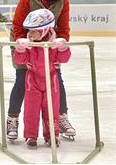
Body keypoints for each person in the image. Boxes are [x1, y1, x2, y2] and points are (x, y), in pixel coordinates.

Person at [7, 0, 76, 141]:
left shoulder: (62, 0)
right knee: (22, 79)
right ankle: (12, 119)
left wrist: (60, 43)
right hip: (26, 43)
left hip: (48, 44)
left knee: (56, 80)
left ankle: (61, 117)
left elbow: (64, 27)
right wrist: (23, 44)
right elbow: (17, 26)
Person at [14, 8, 71, 148]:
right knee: (31, 110)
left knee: (51, 110)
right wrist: (20, 49)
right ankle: (31, 136)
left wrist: (63, 48)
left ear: (44, 30)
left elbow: (64, 59)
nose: (30, 33)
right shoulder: (30, 43)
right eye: (29, 30)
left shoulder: (53, 43)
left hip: (51, 81)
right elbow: (20, 60)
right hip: (32, 81)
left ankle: (51, 135)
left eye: (34, 30)